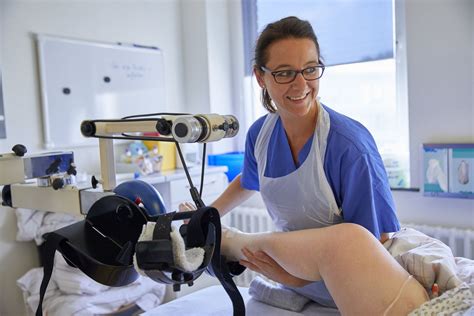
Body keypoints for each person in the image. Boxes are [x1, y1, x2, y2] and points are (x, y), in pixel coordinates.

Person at [181, 15, 412, 310]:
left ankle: (230, 240)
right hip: (300, 285)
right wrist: (207, 215)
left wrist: (294, 277)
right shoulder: (260, 135)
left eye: (310, 69)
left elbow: (371, 245)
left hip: (359, 287)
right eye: (285, 73)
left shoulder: (349, 146)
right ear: (260, 76)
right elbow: (250, 180)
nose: (301, 84)